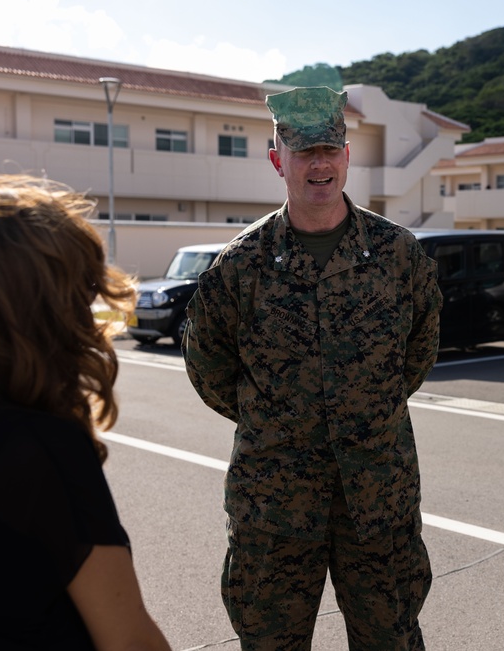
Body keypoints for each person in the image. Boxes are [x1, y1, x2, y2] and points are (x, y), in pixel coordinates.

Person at [183, 86, 442, 650]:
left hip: (378, 500)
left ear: (348, 156)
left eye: (329, 149)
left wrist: (361, 411)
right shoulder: (239, 267)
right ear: (278, 160)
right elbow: (209, 369)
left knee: (391, 641)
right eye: (303, 153)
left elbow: (418, 354)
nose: (319, 164)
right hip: (275, 508)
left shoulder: (399, 256)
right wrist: (278, 421)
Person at [0, 173, 171, 650]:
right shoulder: (37, 449)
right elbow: (128, 640)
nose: (88, 315)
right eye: (80, 295)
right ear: (41, 313)